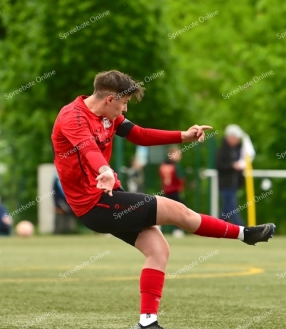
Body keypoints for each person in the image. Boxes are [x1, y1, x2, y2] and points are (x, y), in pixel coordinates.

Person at [50, 70, 274, 329]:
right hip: (93, 204)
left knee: (158, 250)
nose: (125, 108)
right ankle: (244, 234)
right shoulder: (73, 118)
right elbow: (88, 150)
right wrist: (104, 171)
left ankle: (147, 322)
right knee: (178, 211)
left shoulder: (107, 115)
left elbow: (141, 135)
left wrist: (184, 136)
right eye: (124, 103)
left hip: (110, 195)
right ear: (110, 99)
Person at [216, 125, 248, 226]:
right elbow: (219, 165)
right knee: (232, 207)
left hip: (234, 184)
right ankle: (241, 227)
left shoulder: (238, 150)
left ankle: (217, 226)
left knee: (227, 209)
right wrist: (232, 166)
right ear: (230, 137)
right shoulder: (222, 151)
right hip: (225, 183)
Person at [160, 146, 185, 238]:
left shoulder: (163, 165)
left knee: (163, 211)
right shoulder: (176, 166)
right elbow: (180, 178)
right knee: (179, 211)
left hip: (166, 191)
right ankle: (178, 230)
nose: (179, 155)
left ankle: (158, 227)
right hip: (175, 191)